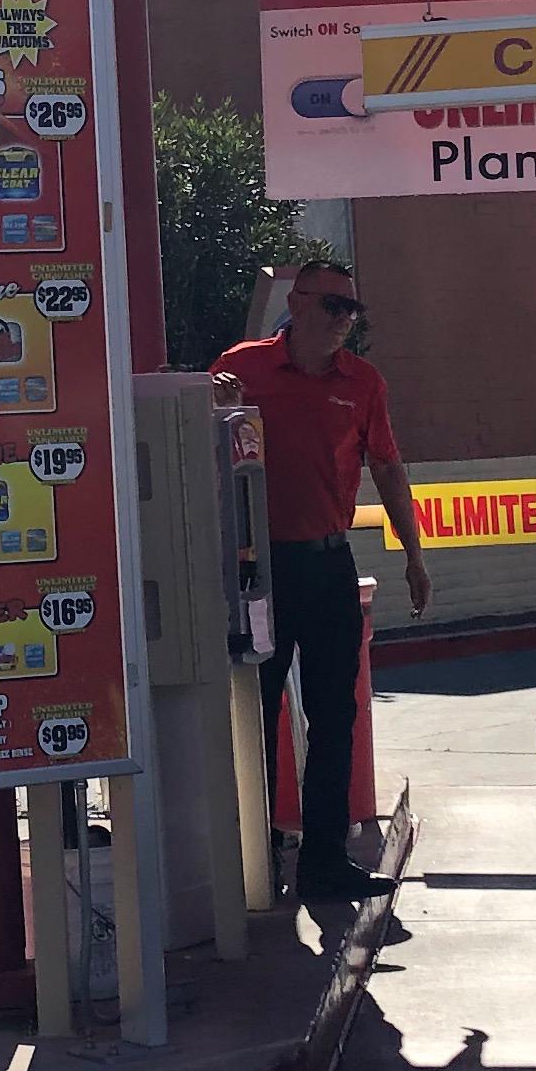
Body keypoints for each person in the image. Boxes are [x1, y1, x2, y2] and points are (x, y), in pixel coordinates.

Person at [215, 255, 427, 906]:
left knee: (336, 714)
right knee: (254, 712)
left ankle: (325, 863)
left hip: (328, 561)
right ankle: (256, 858)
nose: (345, 323)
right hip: (259, 569)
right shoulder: (242, 369)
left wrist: (415, 556)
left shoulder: (362, 382)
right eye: (335, 307)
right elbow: (201, 450)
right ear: (299, 303)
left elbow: (388, 469)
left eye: (353, 312)